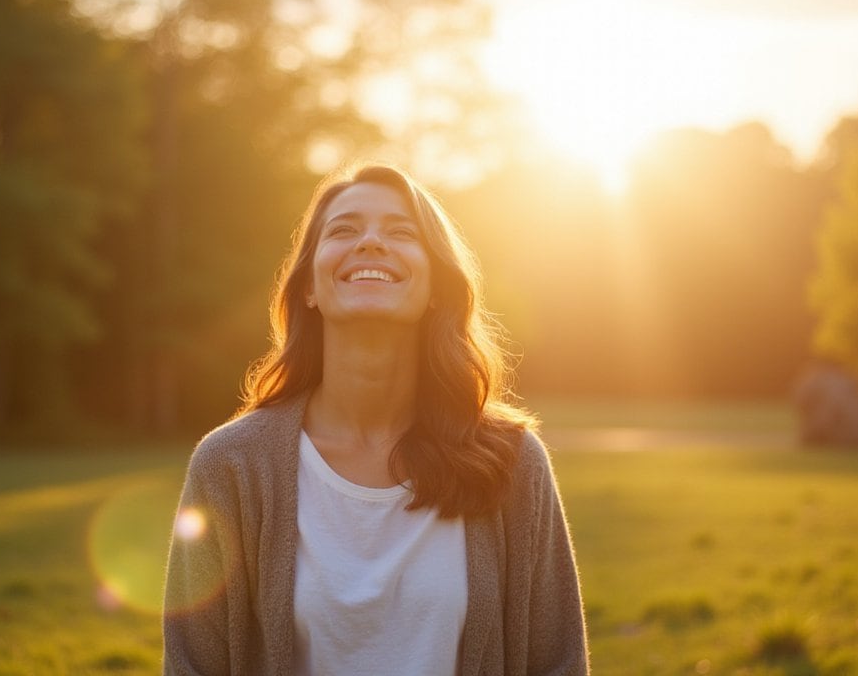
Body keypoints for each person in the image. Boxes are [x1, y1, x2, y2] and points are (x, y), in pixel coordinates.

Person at [163, 164, 589, 675]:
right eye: (343, 230)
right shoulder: (230, 465)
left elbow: (558, 662)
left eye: (400, 232)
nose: (370, 242)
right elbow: (192, 666)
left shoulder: (513, 461)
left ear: (435, 286)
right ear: (309, 289)